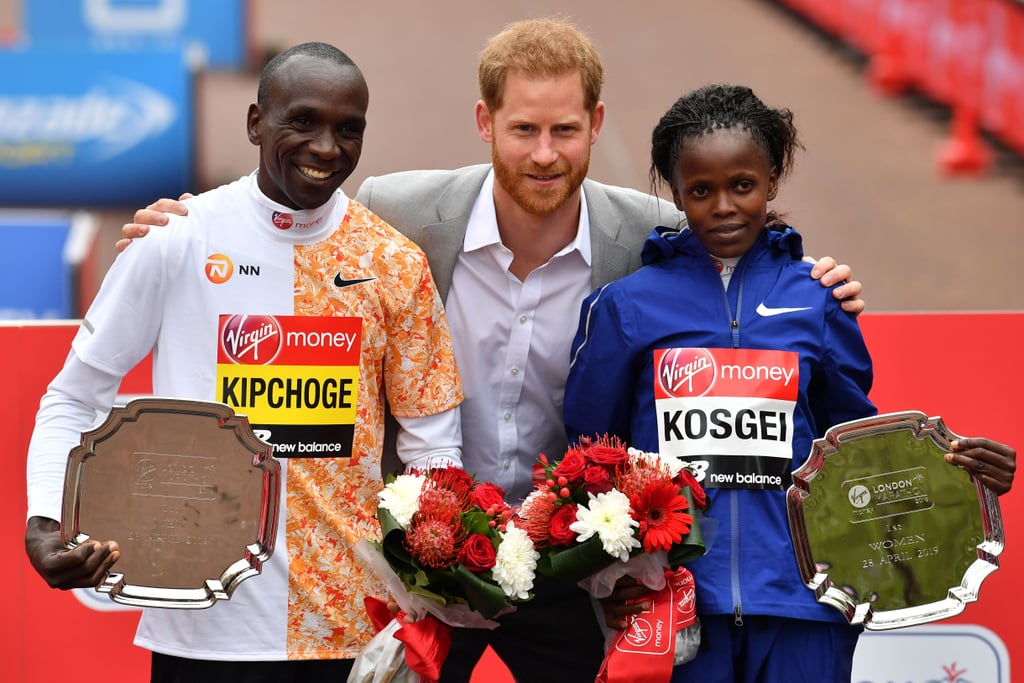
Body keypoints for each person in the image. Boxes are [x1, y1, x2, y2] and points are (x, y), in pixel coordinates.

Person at [118, 18, 879, 683]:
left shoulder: (655, 235)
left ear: (596, 120)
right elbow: (288, 228)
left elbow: (737, 264)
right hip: (429, 562)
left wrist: (821, 278)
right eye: (523, 130)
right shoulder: (395, 210)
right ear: (485, 122)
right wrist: (184, 226)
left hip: (575, 569)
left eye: (565, 131)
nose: (545, 154)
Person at [25, 42, 464, 682]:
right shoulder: (175, 239)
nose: (326, 147)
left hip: (352, 629)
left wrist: (426, 593)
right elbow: (74, 397)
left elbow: (434, 451)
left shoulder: (395, 265)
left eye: (349, 129)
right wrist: (46, 520)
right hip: (201, 625)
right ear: (257, 122)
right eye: (303, 121)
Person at [563, 83, 1017, 683]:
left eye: (742, 186)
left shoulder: (818, 299)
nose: (723, 206)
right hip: (676, 609)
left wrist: (962, 479)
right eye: (701, 191)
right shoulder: (624, 308)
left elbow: (857, 453)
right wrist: (612, 576)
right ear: (676, 192)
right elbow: (592, 458)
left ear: (771, 180)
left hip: (807, 602)